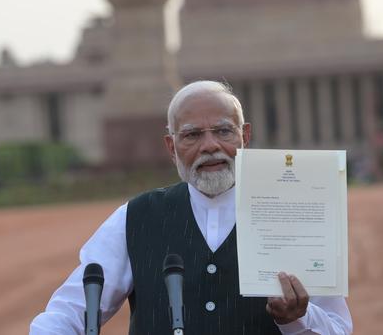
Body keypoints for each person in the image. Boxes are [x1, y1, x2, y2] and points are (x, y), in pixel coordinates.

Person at [30, 80, 352, 334]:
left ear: (246, 136)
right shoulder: (136, 218)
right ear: (171, 147)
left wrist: (298, 317)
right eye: (192, 135)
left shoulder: (295, 215)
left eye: (224, 131)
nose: (210, 145)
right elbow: (71, 310)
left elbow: (337, 329)